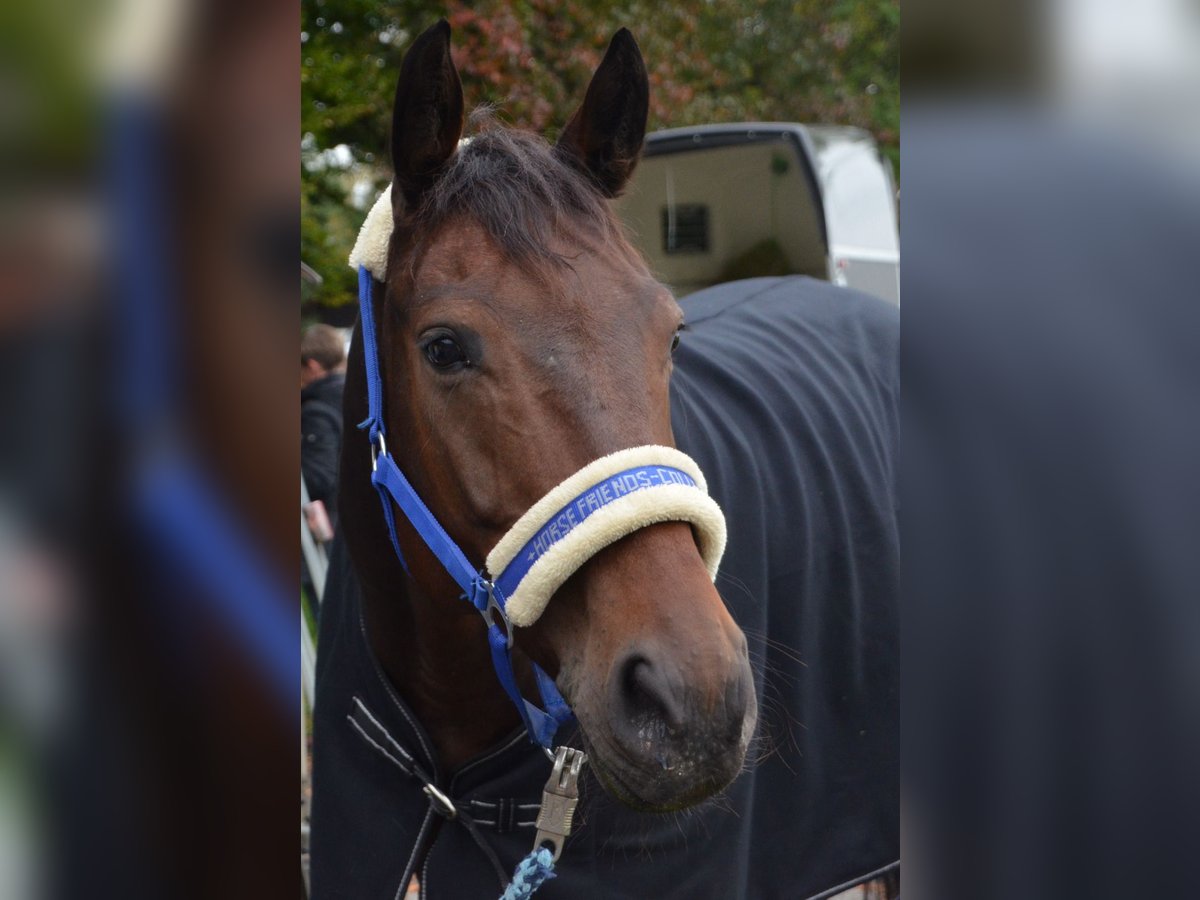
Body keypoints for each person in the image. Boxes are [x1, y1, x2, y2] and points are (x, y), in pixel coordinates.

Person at [300, 325, 346, 521]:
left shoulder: (316, 410)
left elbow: (319, 477)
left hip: (333, 524)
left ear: (312, 366)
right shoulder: (354, 395)